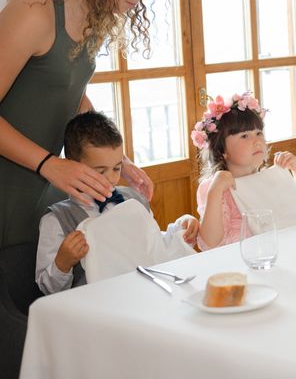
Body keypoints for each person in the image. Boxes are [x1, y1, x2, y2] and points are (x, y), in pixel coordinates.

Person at [0, 0, 164, 248]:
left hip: (44, 184)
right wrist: (49, 164)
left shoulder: (93, 15)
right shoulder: (36, 9)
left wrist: (121, 163)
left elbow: (70, 95)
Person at [36, 111, 199, 295]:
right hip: (97, 309)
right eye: (101, 171)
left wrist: (180, 230)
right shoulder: (57, 220)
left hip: (146, 294)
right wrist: (63, 263)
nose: (112, 179)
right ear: (72, 165)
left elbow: (152, 246)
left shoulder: (133, 199)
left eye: (117, 168)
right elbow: (47, 289)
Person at [193, 92, 296, 250]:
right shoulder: (215, 187)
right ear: (222, 150)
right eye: (244, 136)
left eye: (259, 133)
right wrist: (215, 191)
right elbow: (210, 243)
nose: (256, 141)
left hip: (279, 254)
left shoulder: (268, 178)